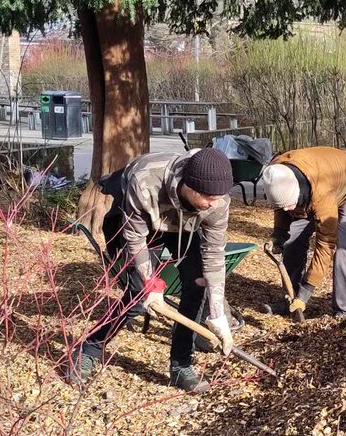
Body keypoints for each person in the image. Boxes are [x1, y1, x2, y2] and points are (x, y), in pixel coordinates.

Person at [70, 147, 236, 392]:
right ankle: (89, 348)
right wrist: (152, 284)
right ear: (189, 186)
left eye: (218, 197)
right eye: (209, 197)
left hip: (181, 224)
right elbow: (135, 237)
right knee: (137, 296)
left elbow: (213, 255)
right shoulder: (146, 180)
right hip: (137, 221)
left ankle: (181, 366)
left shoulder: (215, 202)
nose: (214, 203)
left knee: (198, 283)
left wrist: (218, 313)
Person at [256, 147, 346, 319]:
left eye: (291, 204)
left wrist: (307, 290)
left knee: (342, 244)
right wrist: (280, 233)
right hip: (317, 184)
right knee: (293, 240)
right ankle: (290, 300)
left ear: (298, 193)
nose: (288, 209)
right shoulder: (276, 172)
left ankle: (344, 309)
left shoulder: (321, 193)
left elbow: (326, 244)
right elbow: (281, 204)